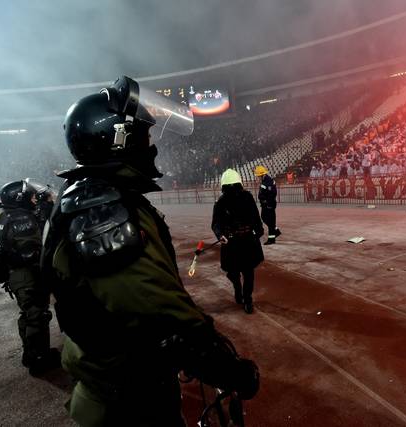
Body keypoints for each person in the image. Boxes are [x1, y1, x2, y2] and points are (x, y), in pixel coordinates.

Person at [40, 76, 258, 426]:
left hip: (105, 378)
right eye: (144, 134)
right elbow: (162, 314)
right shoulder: (105, 212)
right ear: (119, 140)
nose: (151, 145)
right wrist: (227, 368)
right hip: (128, 398)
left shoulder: (77, 198)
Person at [0, 180, 60, 375]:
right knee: (37, 316)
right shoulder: (21, 219)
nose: (33, 200)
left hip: (16, 274)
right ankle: (39, 360)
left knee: (28, 315)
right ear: (20, 198)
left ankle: (30, 353)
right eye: (30, 197)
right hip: (27, 275)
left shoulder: (7, 216)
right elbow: (30, 252)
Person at [212, 169, 264, 314]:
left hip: (245, 241)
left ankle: (247, 299)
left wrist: (257, 231)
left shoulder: (246, 197)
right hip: (232, 243)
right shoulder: (221, 202)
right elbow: (216, 224)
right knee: (236, 272)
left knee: (247, 273)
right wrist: (220, 235)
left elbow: (255, 218)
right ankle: (237, 287)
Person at [254, 165, 281, 245]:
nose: (258, 178)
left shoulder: (268, 182)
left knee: (270, 220)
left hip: (269, 205)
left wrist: (267, 202)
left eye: (258, 176)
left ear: (262, 175)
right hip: (266, 205)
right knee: (265, 218)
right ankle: (276, 230)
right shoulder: (265, 180)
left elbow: (272, 194)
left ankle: (271, 239)